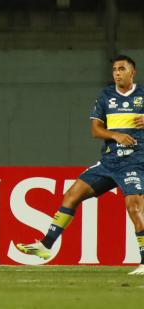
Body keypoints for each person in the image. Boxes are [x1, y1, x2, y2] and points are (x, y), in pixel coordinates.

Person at [17, 55, 144, 275]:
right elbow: (95, 130)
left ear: (133, 72)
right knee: (71, 195)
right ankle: (45, 246)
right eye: (114, 69)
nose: (117, 73)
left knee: (134, 207)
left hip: (135, 161)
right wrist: (115, 135)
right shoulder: (106, 95)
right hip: (109, 162)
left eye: (122, 69)